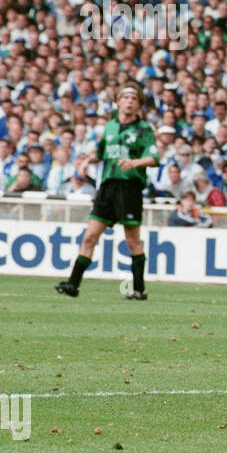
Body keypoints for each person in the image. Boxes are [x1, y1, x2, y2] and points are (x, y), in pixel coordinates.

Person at [56, 84, 159, 301]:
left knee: (132, 240)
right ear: (118, 101)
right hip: (108, 187)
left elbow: (153, 158)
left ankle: (139, 289)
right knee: (90, 236)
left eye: (134, 98)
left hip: (129, 187)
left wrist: (134, 162)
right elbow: (102, 151)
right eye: (126, 97)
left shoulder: (144, 129)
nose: (129, 101)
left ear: (139, 104)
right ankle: (73, 284)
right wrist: (88, 161)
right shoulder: (110, 126)